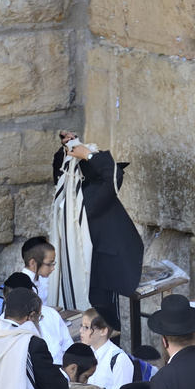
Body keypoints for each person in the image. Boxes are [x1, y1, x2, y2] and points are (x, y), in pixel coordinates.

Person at [55, 134, 143, 331]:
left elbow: (58, 171)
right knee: (105, 323)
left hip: (85, 268)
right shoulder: (90, 197)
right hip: (100, 274)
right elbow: (114, 177)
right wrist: (88, 155)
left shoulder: (68, 196)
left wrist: (65, 148)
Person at [12, 240, 72, 363]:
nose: (53, 268)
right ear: (33, 263)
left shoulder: (40, 280)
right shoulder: (23, 285)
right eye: (49, 264)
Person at [79, 307, 134, 389]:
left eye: (86, 327)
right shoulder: (83, 354)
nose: (80, 330)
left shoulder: (119, 360)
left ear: (103, 331)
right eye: (81, 326)